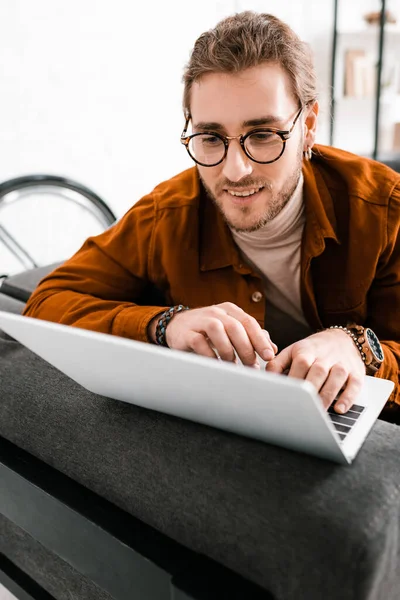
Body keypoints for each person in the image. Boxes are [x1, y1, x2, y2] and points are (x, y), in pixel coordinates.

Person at [24, 11, 400, 420]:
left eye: (262, 135)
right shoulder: (165, 214)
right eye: (211, 138)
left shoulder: (383, 208)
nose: (234, 170)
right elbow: (45, 303)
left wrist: (359, 347)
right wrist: (164, 326)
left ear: (308, 126)